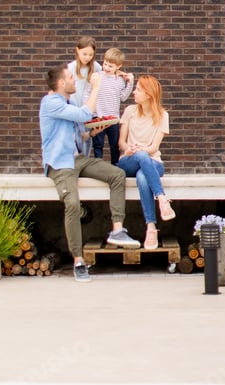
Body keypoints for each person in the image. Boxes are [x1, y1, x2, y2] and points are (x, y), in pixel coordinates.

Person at [39, 64, 139, 282]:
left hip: (78, 160)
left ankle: (117, 229)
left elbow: (81, 135)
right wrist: (96, 86)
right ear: (61, 83)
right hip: (61, 165)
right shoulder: (50, 103)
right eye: (70, 78)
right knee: (73, 205)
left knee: (117, 175)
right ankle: (78, 261)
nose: (74, 81)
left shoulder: (66, 103)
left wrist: (93, 132)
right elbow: (84, 113)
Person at [117, 75, 175, 250]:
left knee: (143, 177)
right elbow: (121, 143)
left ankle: (151, 227)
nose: (134, 92)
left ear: (149, 94)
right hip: (129, 160)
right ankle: (162, 198)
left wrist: (142, 148)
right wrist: (129, 149)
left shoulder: (162, 115)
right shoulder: (130, 111)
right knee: (141, 157)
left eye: (138, 90)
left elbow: (154, 147)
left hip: (152, 161)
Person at [84, 47, 134, 164]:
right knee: (98, 145)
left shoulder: (120, 80)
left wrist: (130, 83)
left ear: (118, 66)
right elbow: (87, 93)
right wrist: (87, 109)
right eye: (105, 64)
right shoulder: (96, 76)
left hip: (113, 119)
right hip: (98, 117)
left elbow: (123, 97)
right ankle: (99, 166)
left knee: (115, 145)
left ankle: (115, 166)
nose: (106, 68)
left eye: (110, 66)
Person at [67, 35, 102, 156]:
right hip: (73, 111)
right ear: (77, 50)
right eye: (84, 54)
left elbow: (107, 76)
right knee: (74, 140)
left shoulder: (96, 67)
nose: (87, 57)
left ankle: (84, 164)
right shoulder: (70, 68)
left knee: (86, 141)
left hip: (88, 111)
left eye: (90, 55)